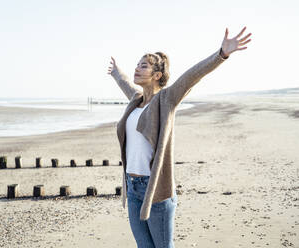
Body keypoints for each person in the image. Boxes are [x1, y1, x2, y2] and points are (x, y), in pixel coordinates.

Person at [107, 27, 252, 248]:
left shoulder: (166, 99)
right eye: (136, 64)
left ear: (156, 76)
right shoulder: (135, 101)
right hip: (133, 186)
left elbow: (192, 76)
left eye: (143, 66)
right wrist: (117, 72)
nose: (137, 68)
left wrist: (221, 54)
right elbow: (125, 83)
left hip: (155, 189)